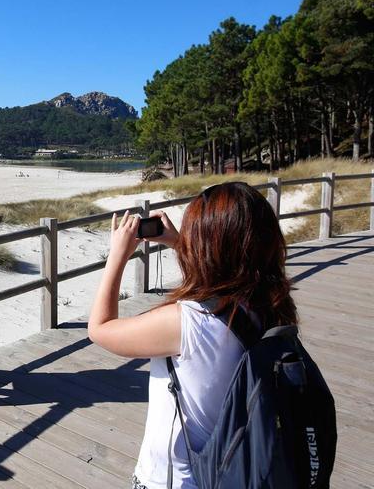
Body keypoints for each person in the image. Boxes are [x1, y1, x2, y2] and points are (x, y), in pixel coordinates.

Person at [88, 182, 297, 489]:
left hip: (179, 478)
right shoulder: (271, 305)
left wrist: (117, 256)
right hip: (238, 467)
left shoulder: (190, 321)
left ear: (206, 245)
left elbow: (100, 329)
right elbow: (224, 275)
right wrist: (178, 242)